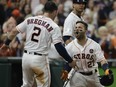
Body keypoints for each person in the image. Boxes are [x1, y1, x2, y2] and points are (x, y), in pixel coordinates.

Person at [0, 1, 77, 87]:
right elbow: (59, 47)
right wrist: (70, 60)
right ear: (55, 12)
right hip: (39, 59)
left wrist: (6, 44)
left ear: (44, 10)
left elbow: (14, 31)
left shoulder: (30, 19)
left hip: (26, 57)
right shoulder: (54, 26)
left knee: (26, 85)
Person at [61, 21, 112, 87]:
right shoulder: (69, 46)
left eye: (79, 27)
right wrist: (66, 71)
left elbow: (102, 60)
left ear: (85, 30)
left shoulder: (94, 45)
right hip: (78, 76)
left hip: (94, 75)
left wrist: (106, 69)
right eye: (76, 27)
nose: (77, 29)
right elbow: (68, 63)